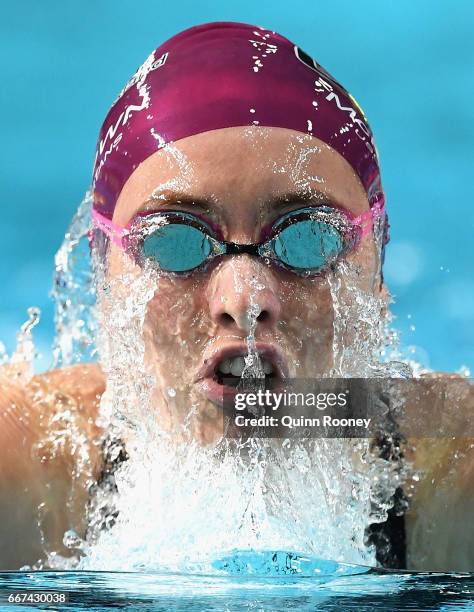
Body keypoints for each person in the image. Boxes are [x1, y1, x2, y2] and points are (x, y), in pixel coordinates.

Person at [0, 21, 472, 572]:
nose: (246, 299)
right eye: (174, 241)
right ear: (104, 277)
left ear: (378, 271)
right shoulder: (30, 465)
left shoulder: (452, 468)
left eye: (307, 238)